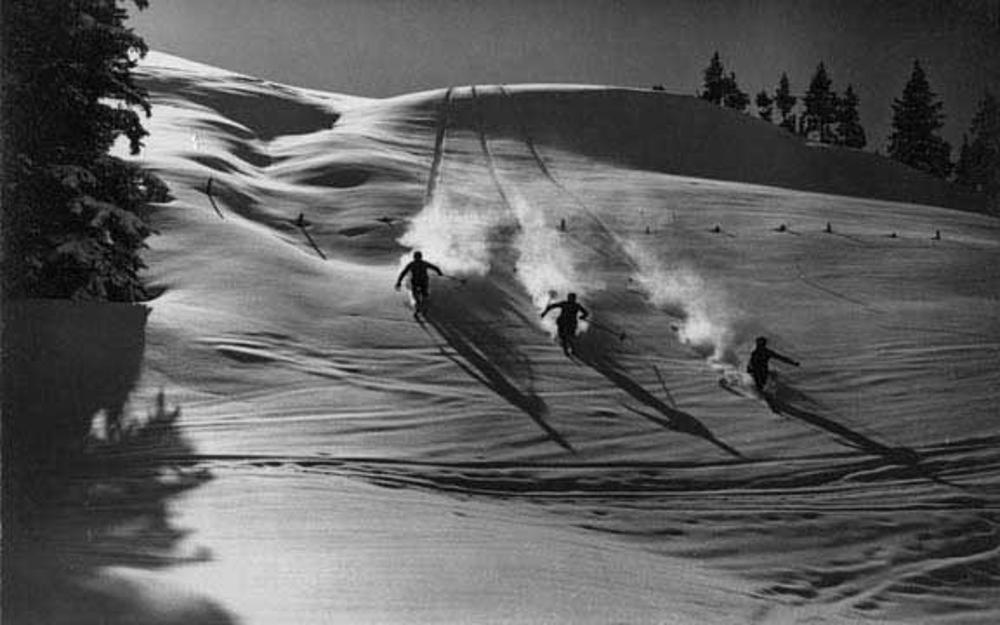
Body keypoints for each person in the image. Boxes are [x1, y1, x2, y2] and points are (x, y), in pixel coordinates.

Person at [395, 251, 443, 317]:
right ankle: (421, 307)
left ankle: (421, 308)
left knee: (422, 296)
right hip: (419, 282)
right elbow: (436, 268)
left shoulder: (413, 264)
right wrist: (439, 273)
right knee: (420, 296)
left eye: (417, 257)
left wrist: (399, 282)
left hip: (420, 282)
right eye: (416, 257)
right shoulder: (423, 263)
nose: (417, 259)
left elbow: (403, 273)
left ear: (415, 257)